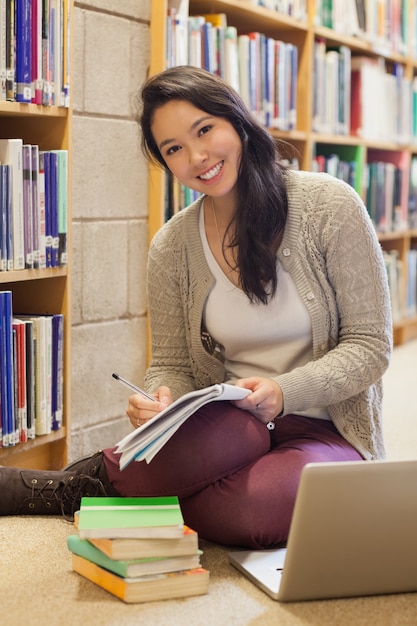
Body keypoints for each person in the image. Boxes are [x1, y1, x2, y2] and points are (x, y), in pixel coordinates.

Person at [0, 66, 392, 549]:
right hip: (231, 424)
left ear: (236, 122)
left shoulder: (329, 207)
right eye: (174, 149)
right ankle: (93, 485)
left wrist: (283, 390)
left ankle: (79, 489)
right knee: (213, 445)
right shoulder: (171, 246)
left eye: (204, 130)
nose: (198, 157)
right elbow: (172, 364)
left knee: (253, 513)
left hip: (326, 428)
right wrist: (162, 401)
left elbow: (371, 346)